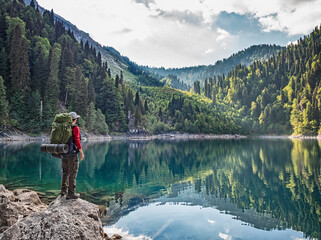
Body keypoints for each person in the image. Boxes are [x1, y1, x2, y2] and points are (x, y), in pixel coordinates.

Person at [60, 112, 85, 199]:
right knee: (73, 172)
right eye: (76, 118)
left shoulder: (63, 127)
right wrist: (81, 152)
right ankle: (71, 193)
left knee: (65, 172)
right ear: (74, 120)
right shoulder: (75, 128)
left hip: (63, 152)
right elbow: (77, 141)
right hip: (72, 153)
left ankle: (63, 191)